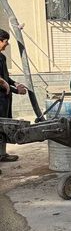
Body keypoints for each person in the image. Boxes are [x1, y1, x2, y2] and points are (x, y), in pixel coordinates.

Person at [0, 29, 28, 172]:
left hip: (5, 98)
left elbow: (5, 77)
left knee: (3, 126)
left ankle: (2, 154)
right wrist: (17, 91)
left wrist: (15, 84)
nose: (7, 44)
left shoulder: (2, 57)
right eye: (5, 41)